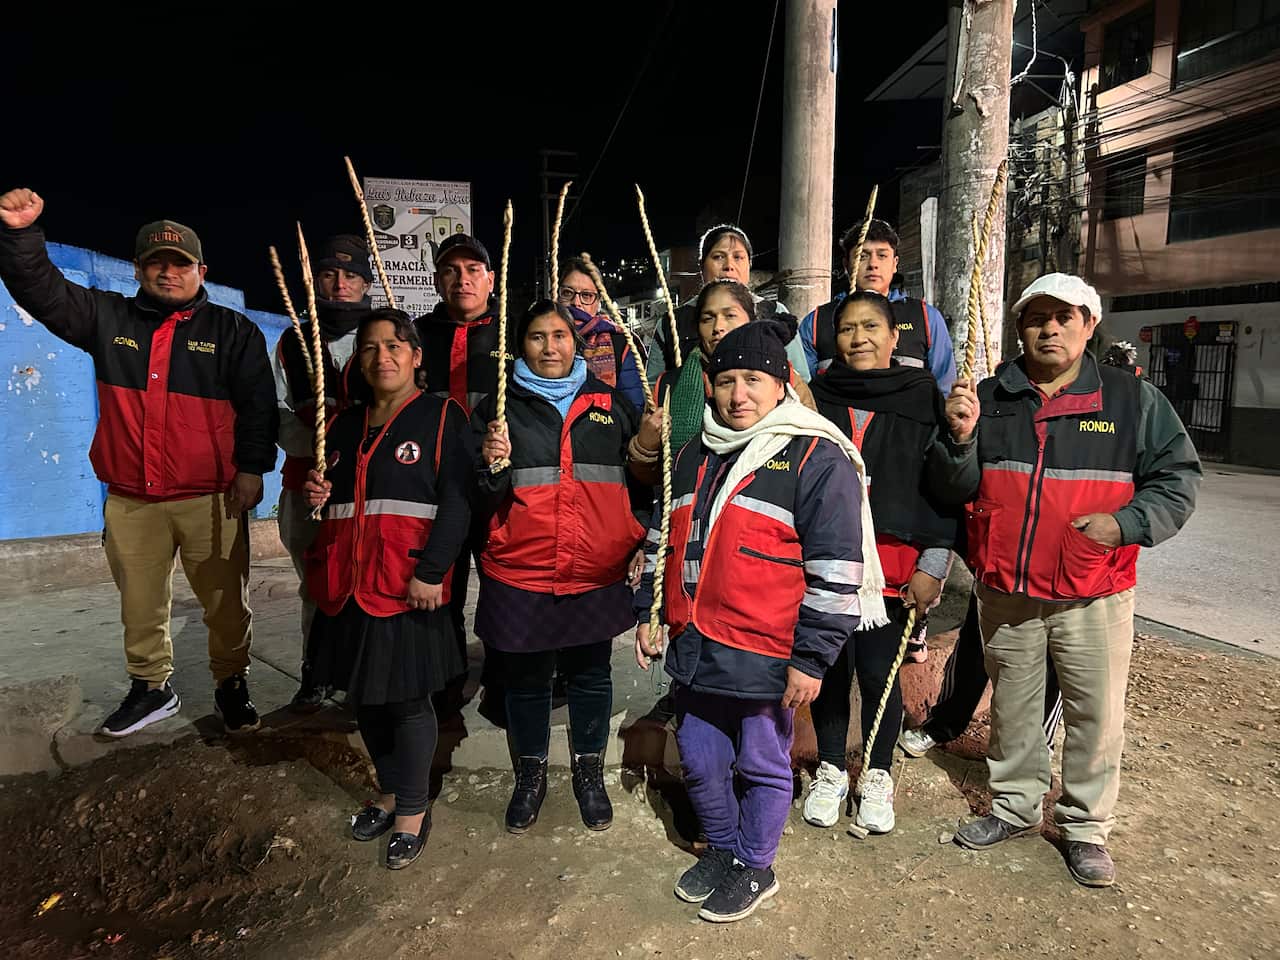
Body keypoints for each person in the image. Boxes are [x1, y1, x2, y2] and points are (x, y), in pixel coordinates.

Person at [933, 273, 1200, 887]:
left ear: (1088, 325)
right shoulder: (990, 395)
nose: (1049, 328)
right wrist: (960, 439)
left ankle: (1084, 828)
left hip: (1093, 589)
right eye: (1036, 317)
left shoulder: (1133, 401)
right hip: (1006, 589)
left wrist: (1127, 522)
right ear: (1019, 326)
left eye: (1064, 317)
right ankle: (1014, 806)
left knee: (1094, 714)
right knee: (1015, 708)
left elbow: (1178, 479)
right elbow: (953, 488)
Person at [0, 188, 276, 737]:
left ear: (201, 270)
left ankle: (231, 681)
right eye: (156, 263)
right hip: (131, 499)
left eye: (179, 264)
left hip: (210, 498)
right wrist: (21, 236)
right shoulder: (106, 316)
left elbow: (258, 406)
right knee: (140, 604)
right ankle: (151, 687)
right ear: (138, 269)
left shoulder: (232, 331)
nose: (167, 273)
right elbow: (43, 291)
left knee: (226, 605)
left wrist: (252, 470)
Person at [634, 319, 884, 923]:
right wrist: (648, 611)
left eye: (753, 380)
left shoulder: (816, 456)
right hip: (698, 642)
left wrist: (811, 658)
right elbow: (663, 536)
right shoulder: (696, 451)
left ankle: (756, 863)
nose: (738, 395)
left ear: (782, 385)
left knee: (762, 761)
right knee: (697, 754)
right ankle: (722, 849)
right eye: (725, 380)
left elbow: (836, 568)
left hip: (768, 649)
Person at [303, 309, 470, 870]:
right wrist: (317, 491)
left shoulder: (442, 416)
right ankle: (390, 790)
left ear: (417, 356)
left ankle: (413, 810)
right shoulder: (345, 425)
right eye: (371, 348)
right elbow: (337, 499)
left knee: (405, 700)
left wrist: (432, 570)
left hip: (404, 583)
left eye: (396, 345)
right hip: (349, 584)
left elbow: (457, 502)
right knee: (364, 698)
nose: (383, 357)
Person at [474, 300, 648, 834]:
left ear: (576, 343)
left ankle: (588, 772)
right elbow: (480, 498)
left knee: (591, 675)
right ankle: (529, 776)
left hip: (593, 569)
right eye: (536, 337)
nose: (550, 347)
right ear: (520, 345)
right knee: (525, 680)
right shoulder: (498, 409)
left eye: (560, 336)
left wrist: (635, 535)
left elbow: (640, 480)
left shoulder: (610, 403)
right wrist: (490, 464)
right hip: (520, 568)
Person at [803, 291, 960, 834]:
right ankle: (829, 768)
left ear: (896, 337)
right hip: (823, 562)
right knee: (826, 670)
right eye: (847, 328)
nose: (859, 338)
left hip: (892, 571)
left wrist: (933, 563)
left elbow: (943, 490)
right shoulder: (814, 399)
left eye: (872, 327)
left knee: (879, 674)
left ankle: (876, 772)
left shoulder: (923, 398)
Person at [273, 234, 374, 711]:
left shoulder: (382, 335)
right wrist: (320, 451)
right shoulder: (294, 338)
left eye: (351, 275)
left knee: (367, 582)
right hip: (305, 485)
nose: (339, 284)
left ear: (365, 283)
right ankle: (315, 676)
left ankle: (364, 675)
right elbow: (275, 410)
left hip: (369, 487)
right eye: (330, 274)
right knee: (316, 584)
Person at [414, 233, 508, 718]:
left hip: (494, 483)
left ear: (491, 279)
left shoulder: (512, 333)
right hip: (434, 486)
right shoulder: (417, 336)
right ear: (436, 280)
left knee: (499, 584)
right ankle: (445, 677)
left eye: (473, 270)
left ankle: (500, 675)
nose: (463, 279)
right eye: (451, 270)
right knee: (441, 586)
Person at [630, 280, 815, 486]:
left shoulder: (780, 377)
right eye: (707, 319)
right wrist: (644, 447)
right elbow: (652, 479)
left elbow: (810, 456)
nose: (718, 327)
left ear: (751, 319)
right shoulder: (668, 386)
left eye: (730, 315)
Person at [799, 219, 956, 392]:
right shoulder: (816, 322)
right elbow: (802, 393)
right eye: (863, 256)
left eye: (882, 255)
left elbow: (945, 390)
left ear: (895, 264)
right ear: (846, 265)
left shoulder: (926, 317)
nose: (873, 264)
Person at [647, 224, 810, 381]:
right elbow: (654, 386)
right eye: (718, 257)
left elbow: (799, 378)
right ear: (701, 265)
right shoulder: (672, 322)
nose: (729, 266)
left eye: (738, 257)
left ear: (749, 265)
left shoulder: (775, 313)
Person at [557, 257, 647, 412]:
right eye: (567, 293)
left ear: (598, 301)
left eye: (586, 295)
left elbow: (632, 408)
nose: (576, 302)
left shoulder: (620, 343)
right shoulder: (544, 339)